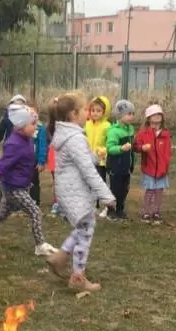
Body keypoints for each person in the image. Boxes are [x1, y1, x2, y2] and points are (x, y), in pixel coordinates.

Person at [46, 93, 115, 292]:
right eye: (85, 109)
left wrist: (93, 156)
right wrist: (106, 195)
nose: (88, 112)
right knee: (85, 231)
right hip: (75, 192)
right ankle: (77, 278)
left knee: (84, 227)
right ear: (73, 114)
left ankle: (60, 257)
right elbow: (87, 171)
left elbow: (80, 162)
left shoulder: (67, 134)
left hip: (70, 191)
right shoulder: (74, 138)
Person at [0, 104, 58, 257]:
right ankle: (40, 245)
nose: (36, 127)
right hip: (13, 188)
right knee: (35, 212)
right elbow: (2, 165)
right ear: (21, 126)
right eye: (33, 124)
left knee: (0, 215)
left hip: (18, 185)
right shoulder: (14, 144)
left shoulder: (27, 139)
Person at [135, 104, 172, 223]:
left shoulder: (165, 134)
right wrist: (142, 148)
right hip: (149, 168)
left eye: (159, 114)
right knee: (150, 190)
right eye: (154, 115)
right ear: (148, 118)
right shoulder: (144, 133)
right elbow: (136, 146)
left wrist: (166, 165)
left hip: (162, 169)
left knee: (159, 191)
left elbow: (168, 151)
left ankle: (156, 211)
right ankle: (146, 212)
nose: (157, 116)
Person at [105, 100, 137, 220]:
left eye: (133, 114)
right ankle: (111, 210)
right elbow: (110, 148)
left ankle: (120, 209)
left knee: (124, 189)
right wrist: (121, 148)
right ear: (120, 115)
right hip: (116, 167)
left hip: (126, 166)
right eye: (128, 114)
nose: (131, 116)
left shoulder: (130, 129)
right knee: (115, 189)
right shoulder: (114, 131)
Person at [84, 96, 112, 218]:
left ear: (104, 112)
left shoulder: (107, 126)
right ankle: (93, 206)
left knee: (102, 183)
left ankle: (106, 207)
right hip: (89, 159)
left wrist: (104, 150)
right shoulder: (87, 124)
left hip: (102, 161)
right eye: (93, 110)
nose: (95, 113)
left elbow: (110, 142)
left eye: (98, 110)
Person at [29, 116, 49, 206]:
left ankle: (34, 200)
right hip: (24, 158)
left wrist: (41, 161)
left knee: (34, 179)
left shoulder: (40, 128)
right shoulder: (23, 126)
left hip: (34, 159)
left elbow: (42, 145)